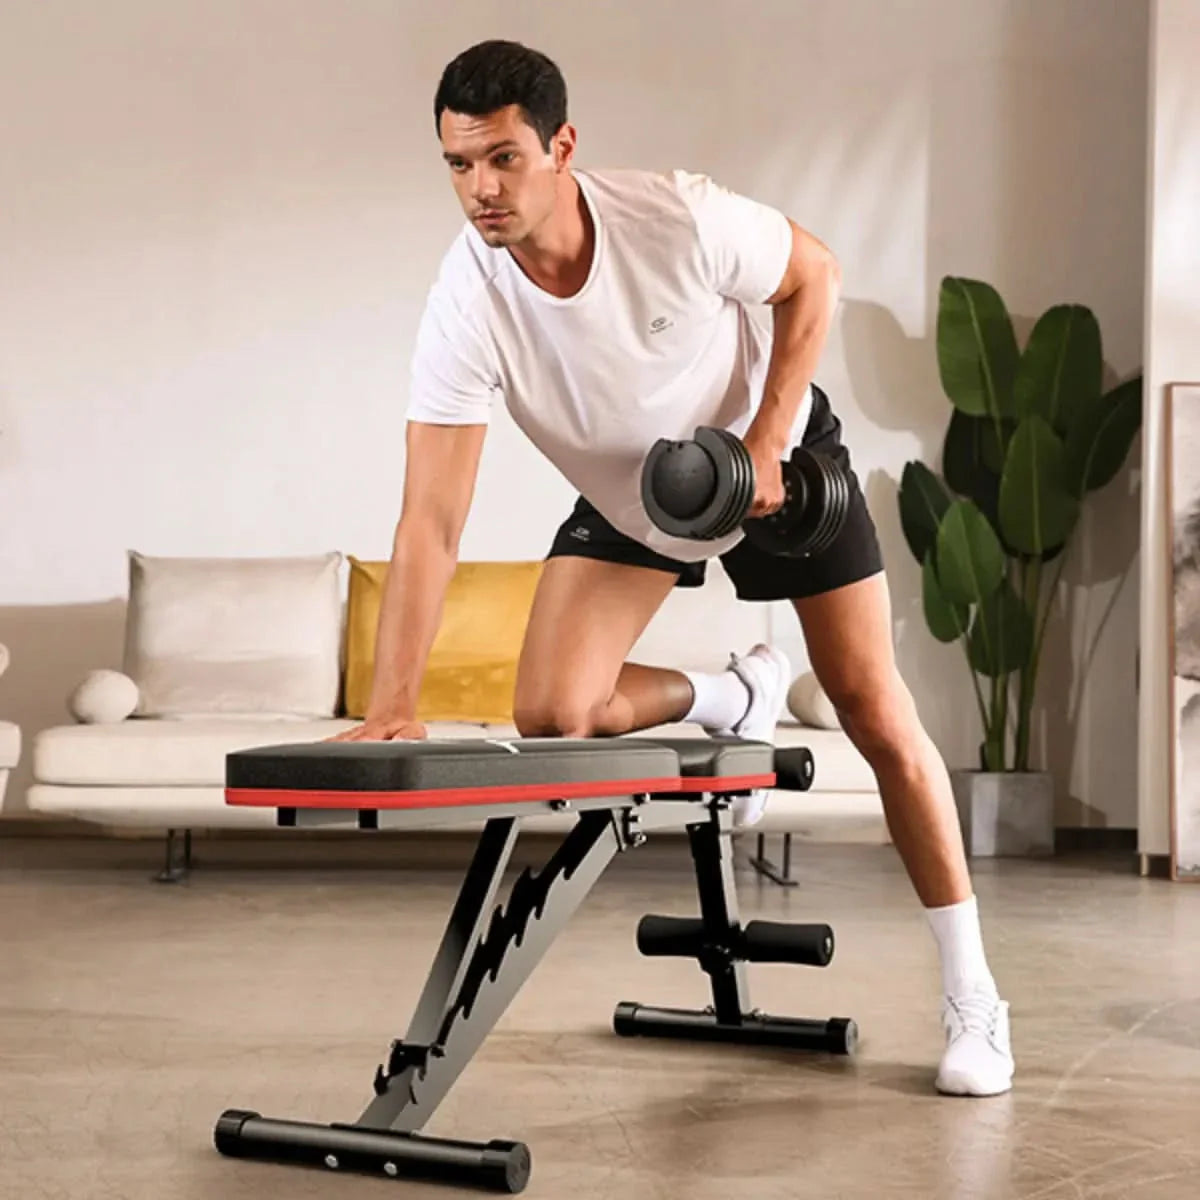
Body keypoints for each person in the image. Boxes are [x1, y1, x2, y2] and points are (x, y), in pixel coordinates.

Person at [334, 38, 1014, 1098]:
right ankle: (730, 694)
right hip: (633, 499)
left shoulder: (675, 217)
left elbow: (813, 272)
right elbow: (431, 516)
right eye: (459, 165)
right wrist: (392, 701)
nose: (481, 189)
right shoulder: (466, 301)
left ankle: (974, 994)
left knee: (878, 715)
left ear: (562, 146)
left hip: (762, 462)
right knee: (557, 711)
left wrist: (770, 441)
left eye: (504, 158)